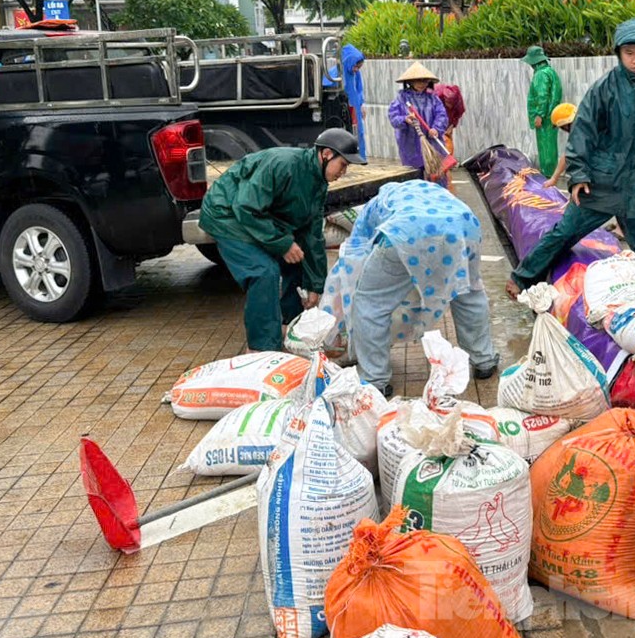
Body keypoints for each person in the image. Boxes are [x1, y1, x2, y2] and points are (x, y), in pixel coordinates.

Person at [507, 18, 635, 297]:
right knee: (563, 233)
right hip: (600, 184)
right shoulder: (604, 89)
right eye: (629, 53)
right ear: (619, 53)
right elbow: (583, 134)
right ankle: (521, 278)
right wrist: (578, 175)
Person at [324, 180, 501, 398]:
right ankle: (484, 360)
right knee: (468, 292)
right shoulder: (434, 193)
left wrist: (345, 289)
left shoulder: (377, 203)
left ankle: (375, 379)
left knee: (370, 302)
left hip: (407, 232)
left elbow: (356, 252)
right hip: (464, 226)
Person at [199, 129, 365, 352]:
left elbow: (312, 234)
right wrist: (283, 243)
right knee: (263, 271)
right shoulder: (283, 164)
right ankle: (261, 348)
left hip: (260, 215)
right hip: (228, 214)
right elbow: (246, 207)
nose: (344, 172)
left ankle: (290, 327)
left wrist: (314, 285)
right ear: (326, 154)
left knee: (297, 261)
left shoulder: (318, 182)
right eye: (343, 164)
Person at [388, 61, 449, 173]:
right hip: (410, 144)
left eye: (425, 80)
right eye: (418, 80)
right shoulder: (401, 99)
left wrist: (436, 128)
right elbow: (394, 118)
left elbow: (442, 115)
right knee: (414, 173)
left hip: (432, 142)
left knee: (436, 172)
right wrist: (405, 119)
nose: (422, 83)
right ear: (410, 81)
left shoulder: (433, 99)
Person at [522, 45, 563, 178]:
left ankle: (547, 174)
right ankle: (552, 173)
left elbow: (542, 96)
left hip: (545, 118)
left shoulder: (540, 74)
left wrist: (539, 115)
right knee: (551, 146)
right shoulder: (550, 72)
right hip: (552, 116)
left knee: (545, 147)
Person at [325, 43, 368, 161]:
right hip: (342, 108)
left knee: (358, 133)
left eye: (358, 67)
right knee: (344, 134)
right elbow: (327, 88)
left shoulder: (356, 73)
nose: (356, 69)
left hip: (355, 108)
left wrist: (362, 104)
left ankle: (360, 158)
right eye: (355, 66)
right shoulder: (336, 72)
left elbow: (359, 89)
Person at [542, 102, 577, 189]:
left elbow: (567, 155)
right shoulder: (583, 125)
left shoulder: (579, 131)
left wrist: (554, 178)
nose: (563, 130)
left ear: (566, 124)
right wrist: (554, 178)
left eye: (562, 127)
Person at [434, 81, 465, 157]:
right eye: (447, 101)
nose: (449, 104)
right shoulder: (437, 97)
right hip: (436, 121)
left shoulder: (459, 105)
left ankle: (448, 160)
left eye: (451, 102)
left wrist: (452, 125)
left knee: (448, 141)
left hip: (450, 119)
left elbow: (458, 115)